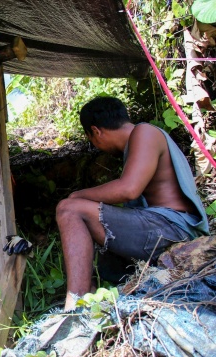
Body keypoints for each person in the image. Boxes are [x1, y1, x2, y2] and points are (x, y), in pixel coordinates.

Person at [56, 96, 209, 311]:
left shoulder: (144, 132)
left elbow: (129, 189)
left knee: (68, 208)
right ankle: (88, 292)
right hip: (164, 226)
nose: (97, 147)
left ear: (96, 131)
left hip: (173, 227)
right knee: (85, 222)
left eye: (92, 140)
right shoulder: (137, 143)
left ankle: (75, 303)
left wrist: (76, 196)